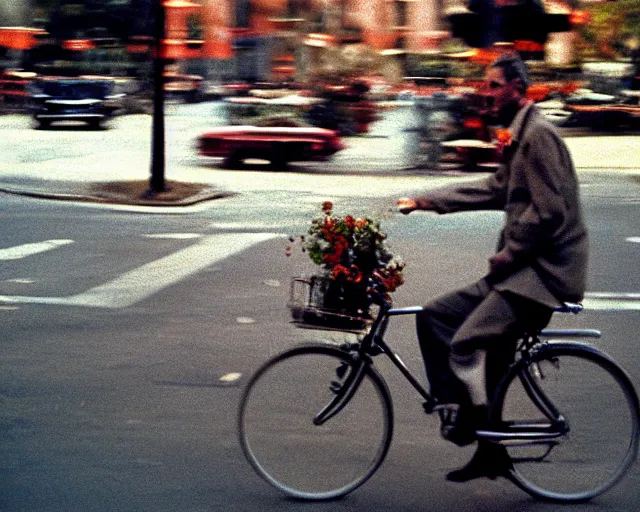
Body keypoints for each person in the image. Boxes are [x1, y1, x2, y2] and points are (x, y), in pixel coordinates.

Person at [397, 54, 588, 482]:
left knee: (464, 342)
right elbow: (495, 189)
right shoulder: (518, 135)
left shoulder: (538, 137)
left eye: (493, 86)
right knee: (435, 316)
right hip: (519, 275)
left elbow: (550, 212)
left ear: (517, 89)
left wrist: (510, 251)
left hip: (541, 278)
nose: (486, 95)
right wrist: (427, 202)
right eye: (486, 87)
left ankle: (467, 421)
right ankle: (488, 449)